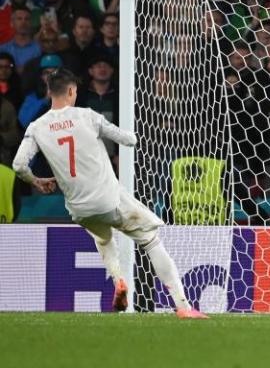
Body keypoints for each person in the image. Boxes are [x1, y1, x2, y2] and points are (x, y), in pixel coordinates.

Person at [11, 68, 207, 319]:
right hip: (108, 199)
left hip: (79, 209)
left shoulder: (37, 127)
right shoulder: (87, 116)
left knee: (103, 240)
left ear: (50, 92)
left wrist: (36, 181)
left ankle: (118, 282)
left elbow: (18, 165)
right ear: (72, 91)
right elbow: (128, 140)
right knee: (151, 240)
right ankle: (183, 307)